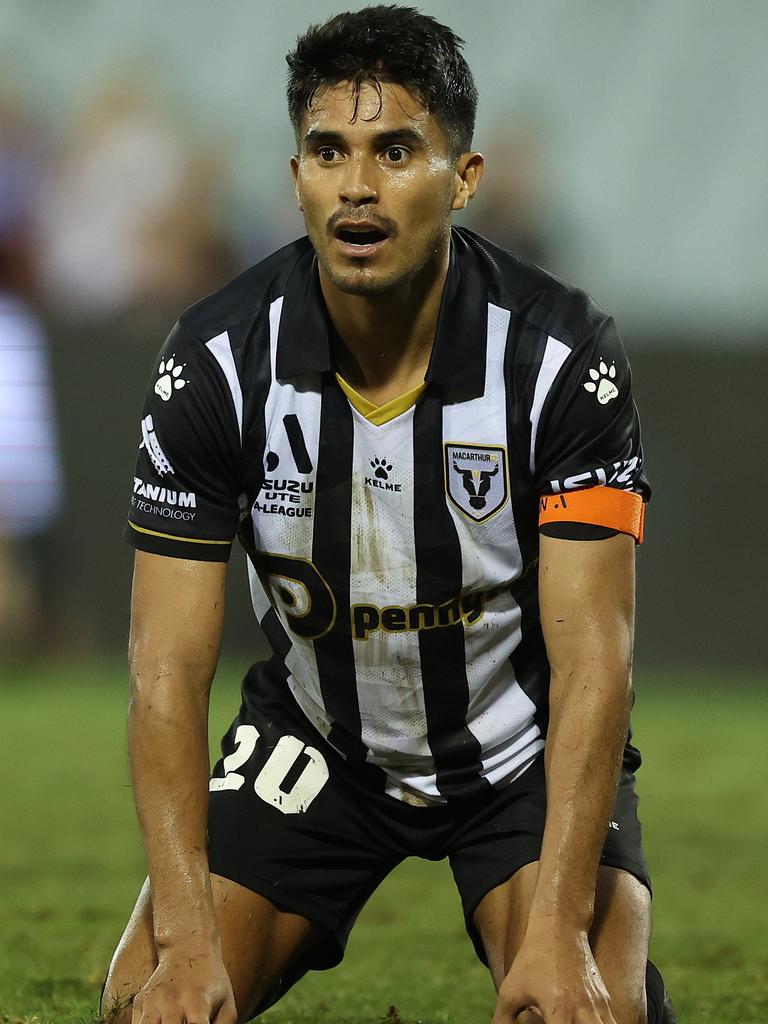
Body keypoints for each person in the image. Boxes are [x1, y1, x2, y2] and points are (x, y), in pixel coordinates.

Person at [101, 7, 676, 1023]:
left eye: (395, 150)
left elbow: (598, 660)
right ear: (296, 179)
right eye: (329, 151)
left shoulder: (560, 356)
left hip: (516, 748)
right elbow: (164, 668)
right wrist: (187, 945)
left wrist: (551, 937)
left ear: (463, 179)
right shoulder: (216, 359)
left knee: (596, 1010)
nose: (357, 186)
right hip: (319, 740)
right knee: (150, 1001)